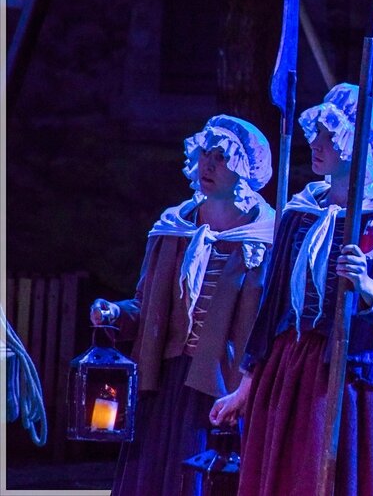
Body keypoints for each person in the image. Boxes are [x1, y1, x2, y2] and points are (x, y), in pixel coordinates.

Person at [210, 83, 373, 496]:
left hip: (352, 379)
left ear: (357, 141)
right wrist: (247, 383)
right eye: (317, 131)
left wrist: (366, 285)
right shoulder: (300, 212)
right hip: (288, 369)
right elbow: (272, 306)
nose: (316, 142)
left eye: (329, 133)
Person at [88, 114, 276, 495]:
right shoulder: (173, 228)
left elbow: (271, 323)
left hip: (221, 389)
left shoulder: (266, 238)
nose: (208, 164)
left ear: (244, 169)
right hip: (164, 386)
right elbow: (144, 308)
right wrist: (114, 313)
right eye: (206, 152)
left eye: (221, 157)